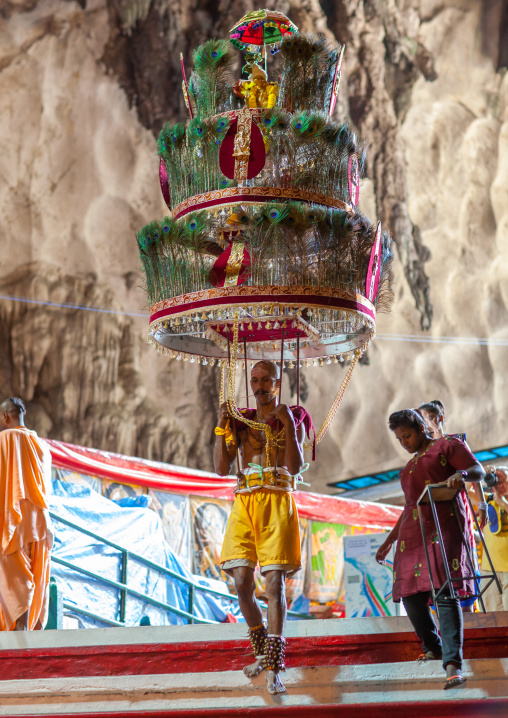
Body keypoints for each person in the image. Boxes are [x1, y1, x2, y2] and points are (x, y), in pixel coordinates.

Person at [214, 360, 312, 694]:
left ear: (277, 382)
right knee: (241, 581)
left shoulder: (291, 418)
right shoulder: (241, 423)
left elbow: (295, 467)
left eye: (266, 380)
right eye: (254, 380)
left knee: (274, 585)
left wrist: (287, 423)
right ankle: (261, 651)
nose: (259, 386)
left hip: (277, 501)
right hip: (245, 501)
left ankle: (274, 666)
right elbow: (220, 467)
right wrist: (221, 425)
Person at [376, 409, 485, 690]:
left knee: (444, 592)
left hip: (443, 527)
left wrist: (460, 474)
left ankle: (452, 665)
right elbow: (408, 506)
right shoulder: (408, 468)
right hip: (412, 535)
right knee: (410, 597)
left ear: (422, 427)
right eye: (399, 439)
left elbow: (478, 470)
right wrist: (389, 540)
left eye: (408, 435)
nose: (405, 443)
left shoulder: (447, 446)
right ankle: (433, 646)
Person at [418, 400, 487, 613]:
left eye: (429, 418)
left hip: (454, 506)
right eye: (422, 419)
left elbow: (473, 470)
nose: (426, 423)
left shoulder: (453, 442)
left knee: (459, 556)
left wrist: (482, 503)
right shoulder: (422, 449)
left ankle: (466, 612)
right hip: (431, 509)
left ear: (439, 418)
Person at [0, 397, 53, 631]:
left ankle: (18, 632)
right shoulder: (41, 445)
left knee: (15, 575)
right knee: (34, 574)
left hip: (15, 520)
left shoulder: (5, 438)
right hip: (40, 524)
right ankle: (30, 631)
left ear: (4, 417)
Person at [481, 465, 508, 611]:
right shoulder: (486, 499)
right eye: (496, 481)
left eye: (503, 481)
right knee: (491, 619)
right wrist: (479, 473)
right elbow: (464, 492)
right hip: (489, 570)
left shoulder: (501, 501)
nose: (499, 485)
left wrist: (502, 502)